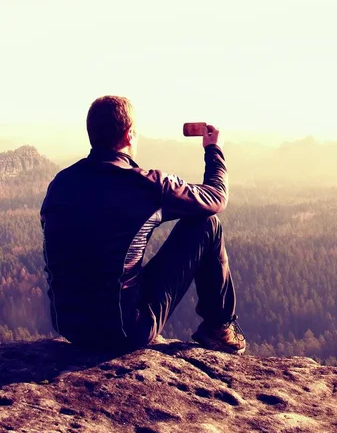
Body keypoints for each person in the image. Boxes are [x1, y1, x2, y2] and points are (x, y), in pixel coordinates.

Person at [40, 95, 246, 354]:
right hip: (124, 331)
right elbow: (216, 198)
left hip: (68, 325)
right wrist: (214, 150)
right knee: (207, 224)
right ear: (129, 135)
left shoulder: (61, 183)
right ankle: (219, 329)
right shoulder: (145, 186)